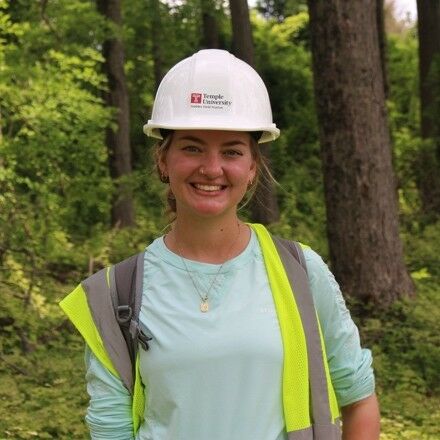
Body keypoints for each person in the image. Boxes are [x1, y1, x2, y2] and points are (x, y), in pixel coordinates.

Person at [60, 49, 380, 440]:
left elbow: (359, 397)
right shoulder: (113, 296)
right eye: (192, 147)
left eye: (231, 151)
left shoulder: (301, 271)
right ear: (163, 160)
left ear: (251, 168)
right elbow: (110, 430)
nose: (212, 168)